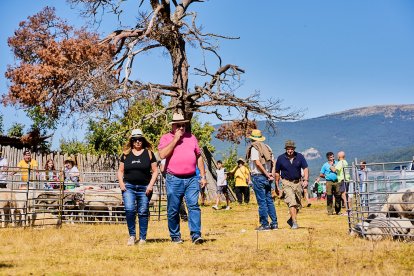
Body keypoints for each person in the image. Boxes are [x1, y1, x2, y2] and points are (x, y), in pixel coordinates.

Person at [158, 113, 207, 244]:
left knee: (193, 206)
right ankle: (175, 236)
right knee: (173, 208)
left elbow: (199, 157)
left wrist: (202, 176)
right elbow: (162, 154)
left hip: (191, 178)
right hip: (174, 178)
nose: (181, 128)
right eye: (178, 125)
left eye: (183, 125)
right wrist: (175, 140)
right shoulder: (166, 138)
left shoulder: (192, 138)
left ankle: (196, 235)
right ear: (173, 126)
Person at [118, 128, 158, 246]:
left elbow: (155, 171)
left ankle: (142, 238)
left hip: (144, 187)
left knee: (143, 211)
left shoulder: (149, 154)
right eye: (135, 140)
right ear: (131, 141)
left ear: (143, 140)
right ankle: (132, 236)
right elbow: (120, 171)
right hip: (128, 187)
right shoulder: (125, 155)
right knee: (130, 210)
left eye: (140, 139)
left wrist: (150, 185)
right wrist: (121, 183)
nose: (137, 142)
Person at [246, 129, 278, 231]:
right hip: (267, 176)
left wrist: (265, 173)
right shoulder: (267, 147)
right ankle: (274, 223)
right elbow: (273, 162)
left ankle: (265, 224)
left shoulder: (254, 148)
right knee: (269, 200)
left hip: (258, 176)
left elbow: (257, 163)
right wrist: (271, 174)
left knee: (262, 201)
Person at [275, 140, 309, 230]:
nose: (290, 151)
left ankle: (291, 219)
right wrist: (276, 185)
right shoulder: (281, 158)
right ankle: (294, 222)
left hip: (297, 183)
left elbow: (305, 168)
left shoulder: (300, 156)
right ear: (285, 149)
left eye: (291, 149)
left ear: (294, 149)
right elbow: (277, 172)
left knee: (298, 205)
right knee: (291, 202)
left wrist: (306, 179)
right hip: (286, 182)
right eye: (288, 149)